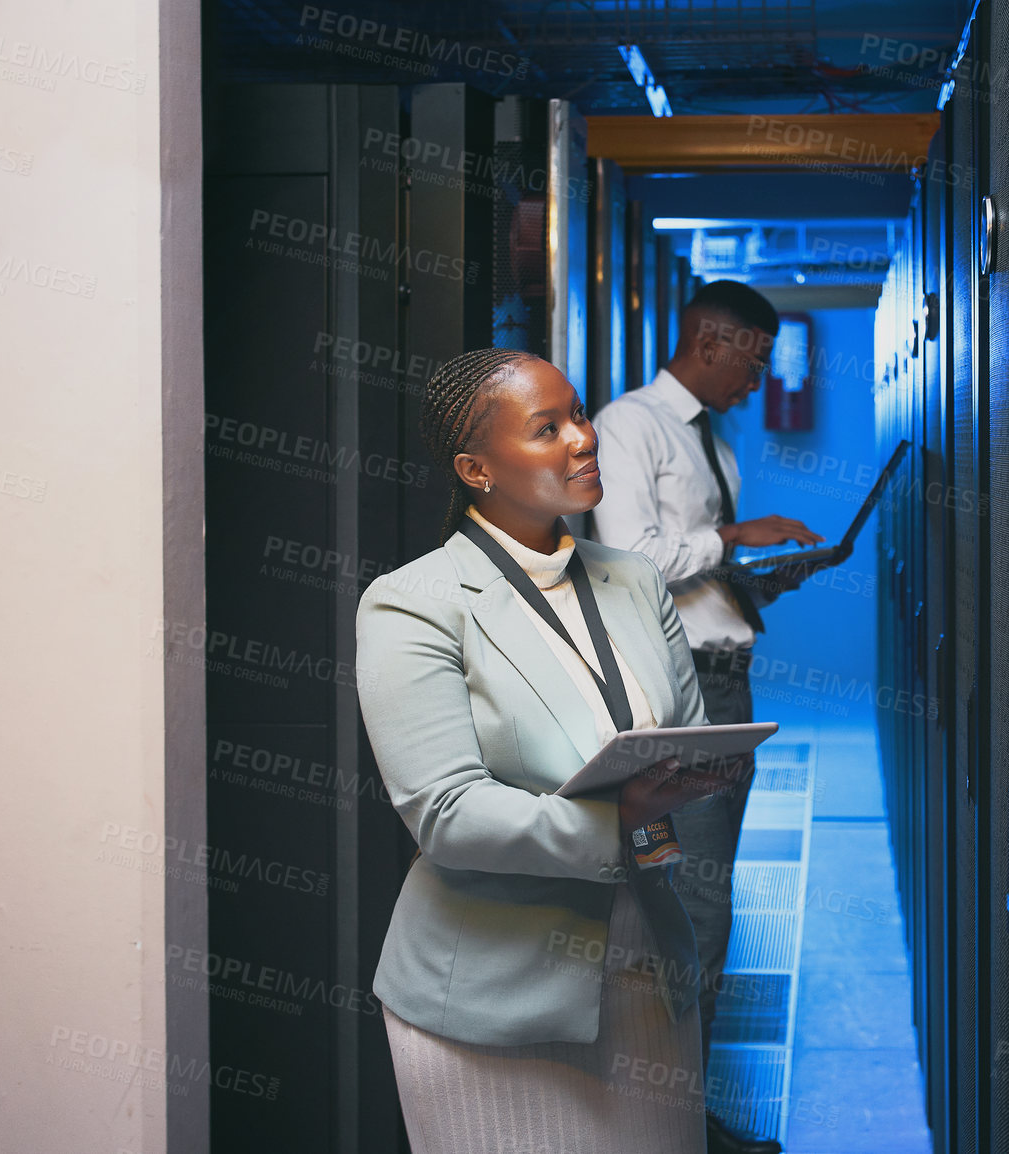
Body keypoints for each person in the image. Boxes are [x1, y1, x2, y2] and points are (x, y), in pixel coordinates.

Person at [356, 347, 735, 1154]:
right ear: (476, 467)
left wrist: (701, 771)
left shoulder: (634, 579)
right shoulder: (413, 604)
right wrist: (617, 818)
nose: (583, 439)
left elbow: (685, 729)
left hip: (647, 974)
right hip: (489, 1000)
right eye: (547, 428)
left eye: (580, 414)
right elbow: (446, 813)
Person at [589, 280, 845, 1154]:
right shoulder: (632, 426)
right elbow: (630, 562)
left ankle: (679, 1112)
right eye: (756, 360)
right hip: (679, 686)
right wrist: (734, 542)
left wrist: (755, 578)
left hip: (722, 677)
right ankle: (671, 1126)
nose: (761, 379)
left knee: (708, 896)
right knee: (694, 900)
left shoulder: (713, 443)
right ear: (712, 341)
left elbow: (690, 574)